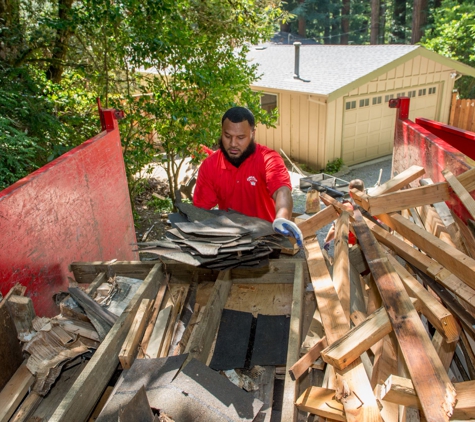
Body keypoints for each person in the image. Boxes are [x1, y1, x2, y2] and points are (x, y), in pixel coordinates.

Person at [193, 106, 303, 247]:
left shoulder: (268, 158)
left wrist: (282, 218)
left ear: (252, 134)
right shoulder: (210, 166)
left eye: (240, 137)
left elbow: (282, 190)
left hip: (267, 241)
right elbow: (200, 211)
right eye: (227, 136)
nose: (233, 144)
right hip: (229, 244)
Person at [323, 179, 365, 251]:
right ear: (363, 191)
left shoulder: (346, 206)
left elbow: (334, 227)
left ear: (350, 193)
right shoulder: (367, 204)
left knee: (334, 225)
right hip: (362, 238)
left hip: (348, 238)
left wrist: (327, 241)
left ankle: (326, 243)